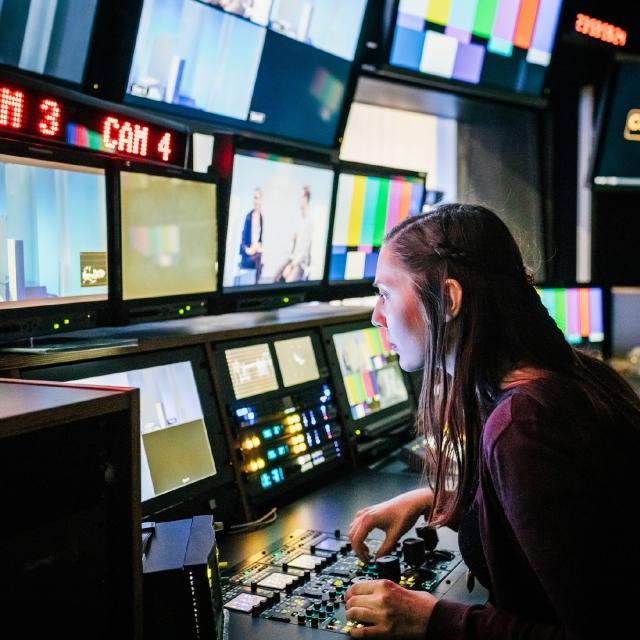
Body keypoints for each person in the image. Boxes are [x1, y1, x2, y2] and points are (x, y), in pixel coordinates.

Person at [345, 203, 640, 639]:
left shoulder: (521, 426)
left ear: (447, 300)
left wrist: (431, 619)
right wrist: (437, 498)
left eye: (385, 294)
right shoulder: (574, 374)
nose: (377, 315)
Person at [273, 185, 313, 283]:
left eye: (300, 197)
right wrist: (288, 260)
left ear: (306, 199)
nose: (299, 200)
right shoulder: (299, 220)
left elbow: (304, 251)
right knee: (276, 277)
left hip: (301, 264)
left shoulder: (310, 221)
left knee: (288, 281)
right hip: (293, 258)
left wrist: (291, 266)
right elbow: (294, 244)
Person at [239, 187, 263, 283]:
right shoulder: (248, 217)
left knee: (260, 259)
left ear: (261, 200)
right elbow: (243, 241)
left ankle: (255, 285)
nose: (255, 201)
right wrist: (248, 250)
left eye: (257, 198)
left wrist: (259, 246)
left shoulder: (261, 217)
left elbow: (260, 239)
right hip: (248, 255)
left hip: (256, 255)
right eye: (254, 198)